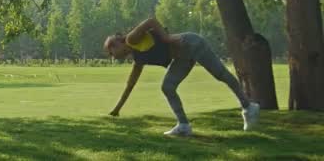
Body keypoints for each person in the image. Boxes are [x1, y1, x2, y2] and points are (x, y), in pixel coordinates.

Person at [103, 17, 260, 136]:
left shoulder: (131, 39)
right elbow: (130, 85)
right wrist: (117, 110)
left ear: (118, 43)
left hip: (191, 43)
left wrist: (166, 38)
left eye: (111, 52)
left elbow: (151, 21)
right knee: (168, 87)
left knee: (221, 74)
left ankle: (248, 107)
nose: (112, 56)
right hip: (182, 58)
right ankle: (184, 125)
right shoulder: (138, 59)